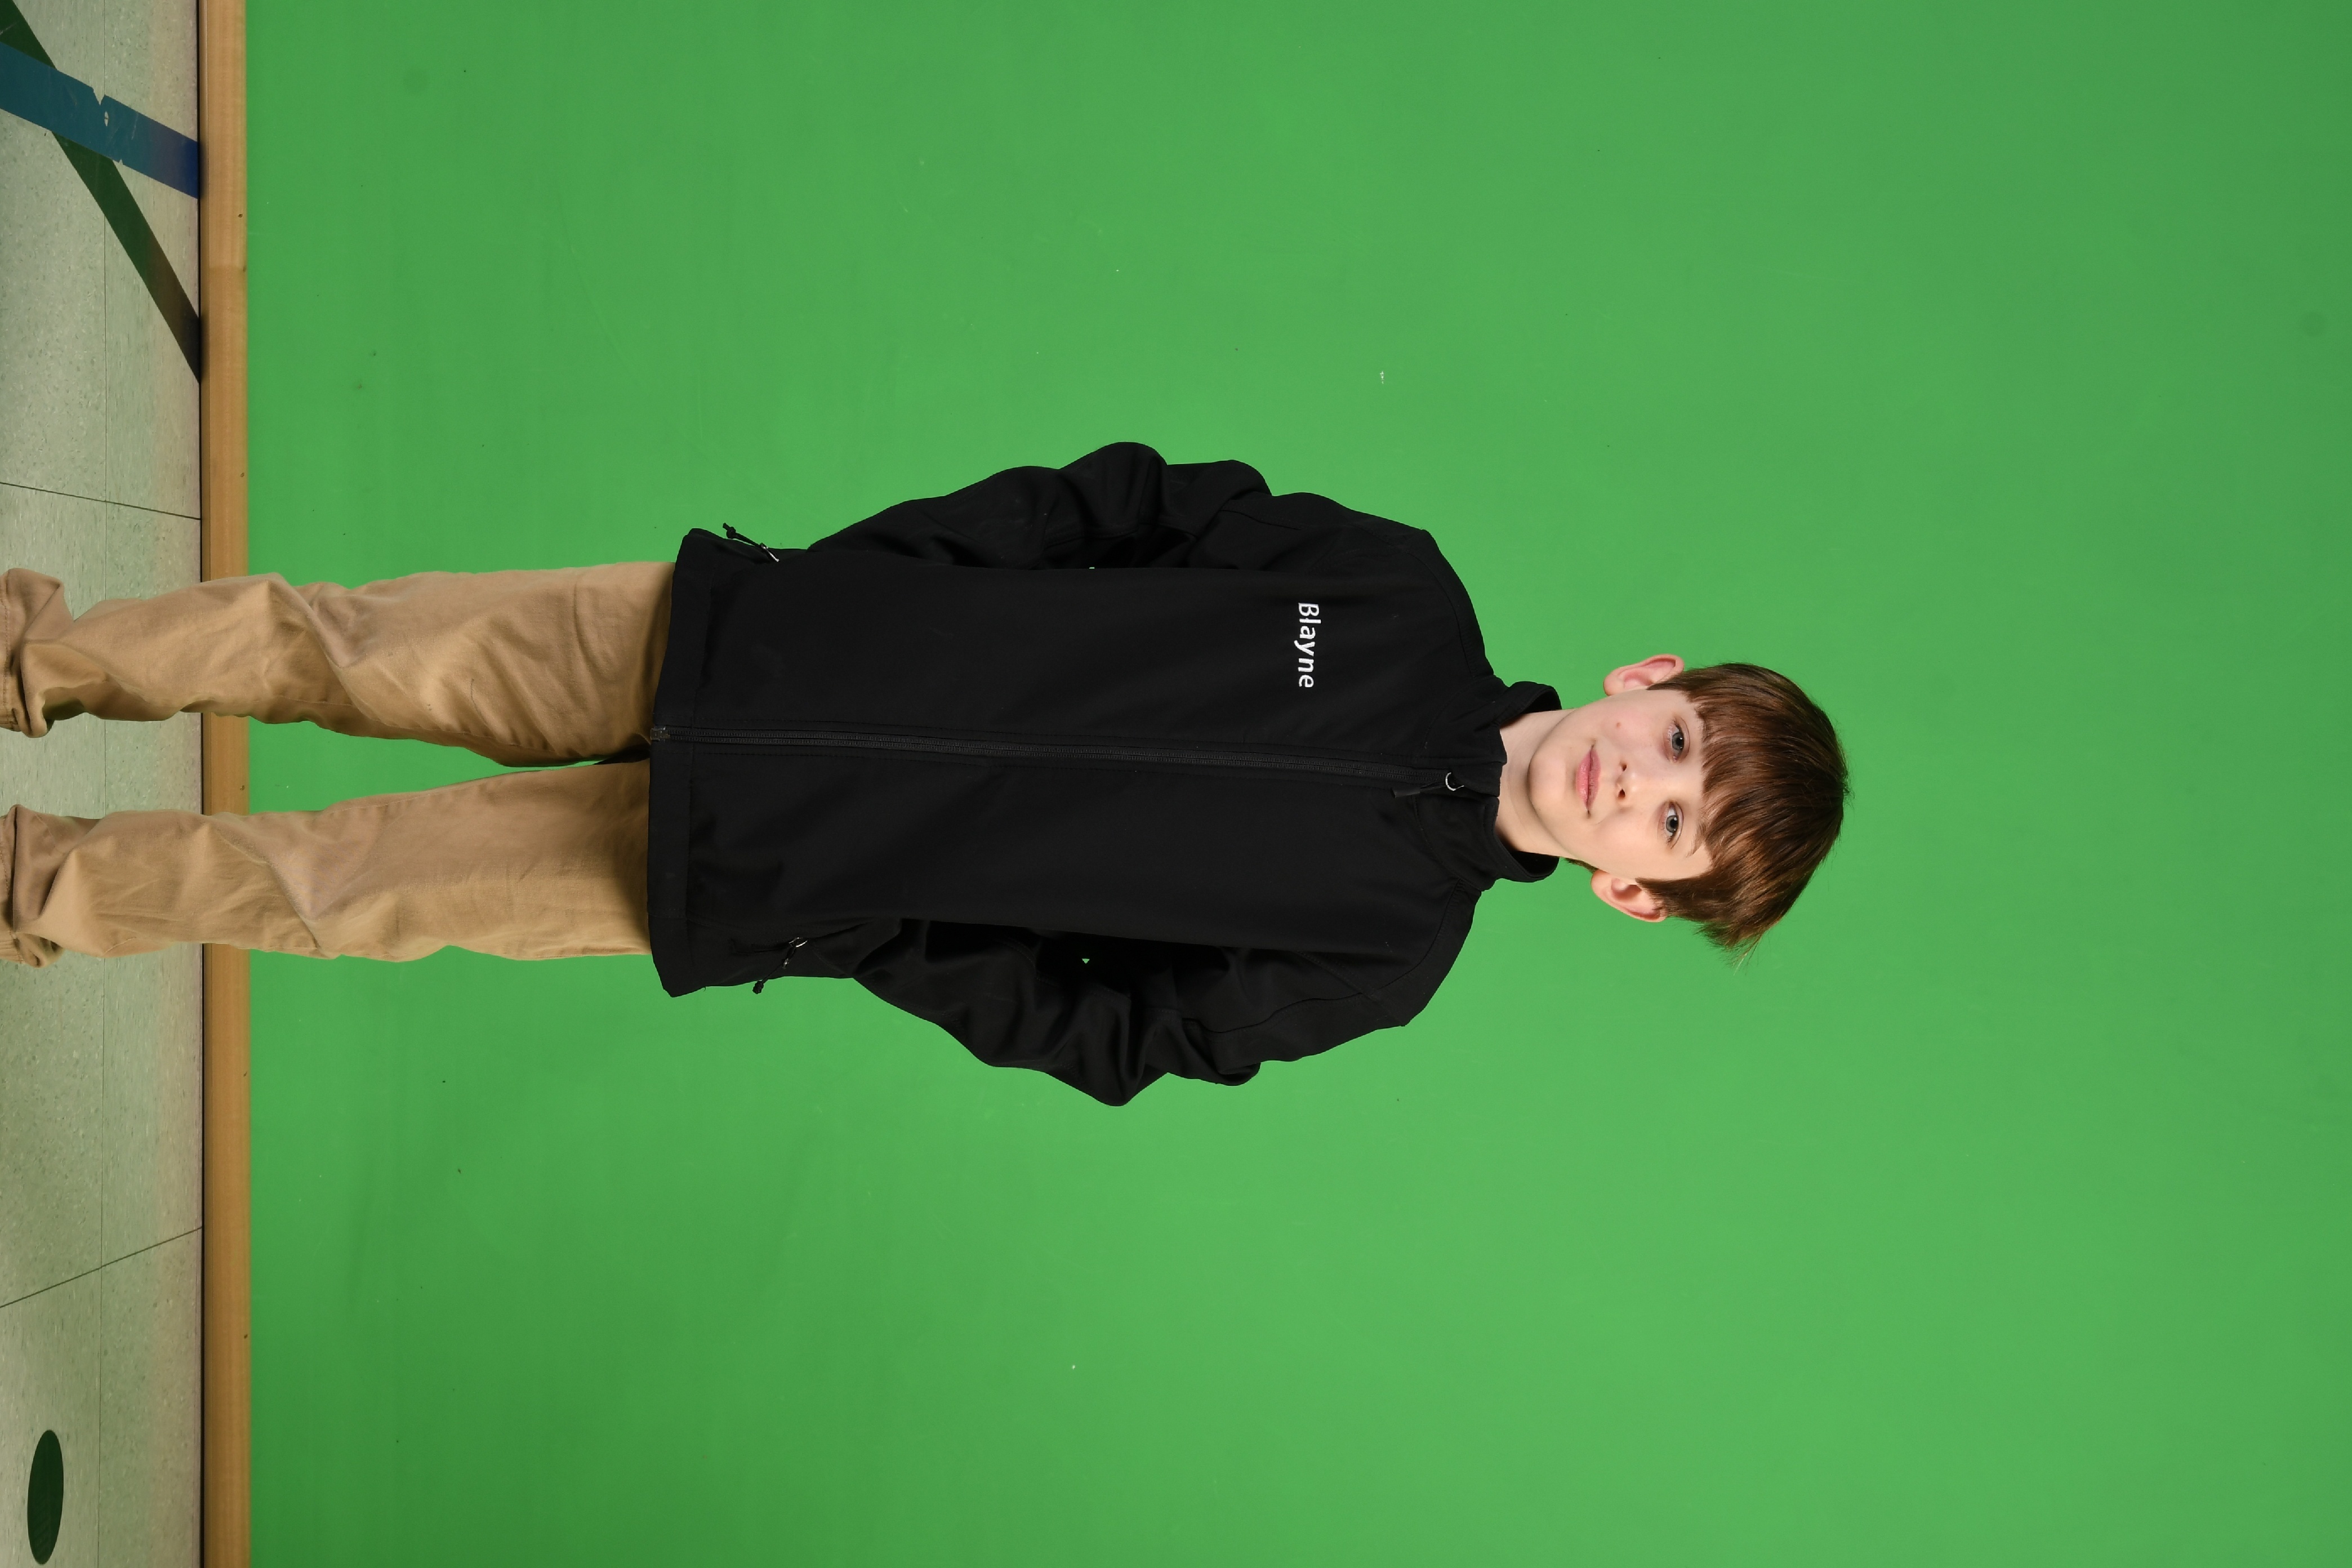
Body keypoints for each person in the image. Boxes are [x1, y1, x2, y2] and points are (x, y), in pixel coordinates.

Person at [0, 444, 1847, 1103]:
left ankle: (38, 887)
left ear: (1634, 891)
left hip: (762, 871)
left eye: (1673, 827)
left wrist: (876, 931)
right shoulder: (1394, 593)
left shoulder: (1386, 957)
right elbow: (1115, 505)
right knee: (336, 641)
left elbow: (1117, 1033)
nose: (1639, 783)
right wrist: (864, 582)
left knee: (338, 888)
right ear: (1650, 679)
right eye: (1678, 744)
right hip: (748, 639)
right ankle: (40, 656)